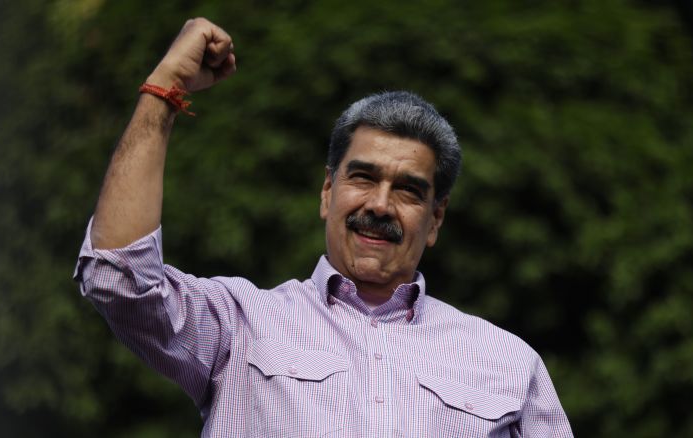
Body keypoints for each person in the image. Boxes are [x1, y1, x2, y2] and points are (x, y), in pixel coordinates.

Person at [74, 17, 573, 437]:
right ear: (327, 192)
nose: (379, 205)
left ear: (435, 217)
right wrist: (165, 89)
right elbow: (118, 278)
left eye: (407, 190)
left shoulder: (509, 363)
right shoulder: (241, 326)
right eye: (363, 177)